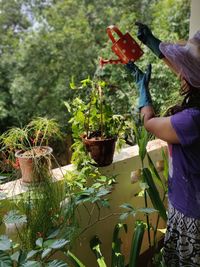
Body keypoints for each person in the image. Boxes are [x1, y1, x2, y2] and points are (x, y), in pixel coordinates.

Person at [125, 23, 200, 266]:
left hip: (192, 216)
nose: (179, 73)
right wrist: (152, 42)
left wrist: (142, 89)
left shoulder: (191, 121)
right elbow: (191, 71)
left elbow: (149, 123)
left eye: (183, 70)